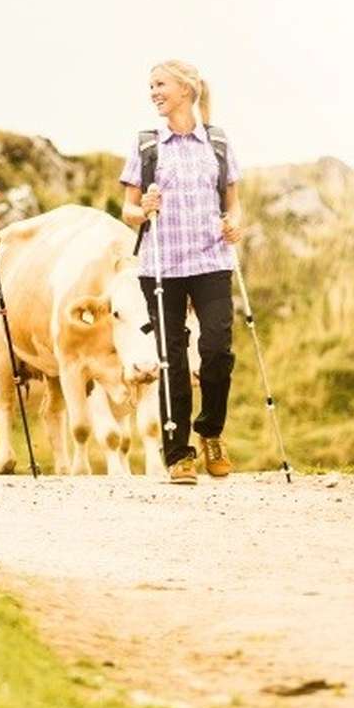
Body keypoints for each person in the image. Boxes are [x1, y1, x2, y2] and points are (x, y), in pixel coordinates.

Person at [120, 59, 243, 484]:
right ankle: (178, 454)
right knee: (172, 359)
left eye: (160, 84)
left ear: (186, 90)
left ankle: (211, 432)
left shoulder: (219, 142)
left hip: (211, 261)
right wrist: (143, 209)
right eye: (150, 85)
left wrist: (234, 223)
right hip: (162, 267)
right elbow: (128, 210)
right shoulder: (147, 146)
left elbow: (233, 201)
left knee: (217, 351)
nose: (153, 92)